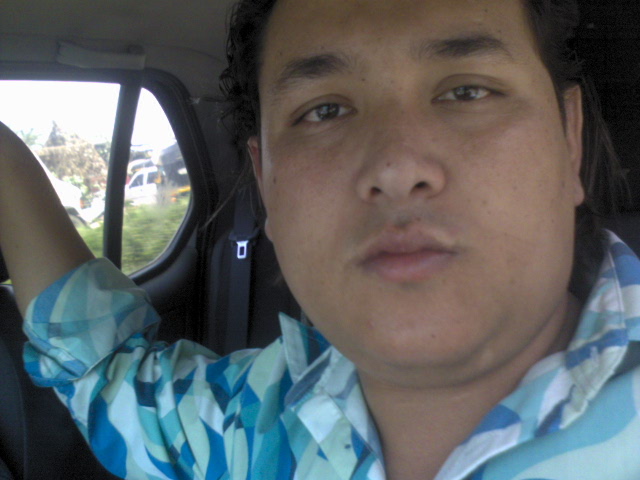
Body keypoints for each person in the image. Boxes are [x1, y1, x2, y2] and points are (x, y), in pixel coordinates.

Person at [0, 0, 637, 478]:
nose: (396, 167)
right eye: (324, 111)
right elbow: (104, 376)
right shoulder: (251, 421)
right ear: (265, 183)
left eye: (467, 91)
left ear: (570, 139)